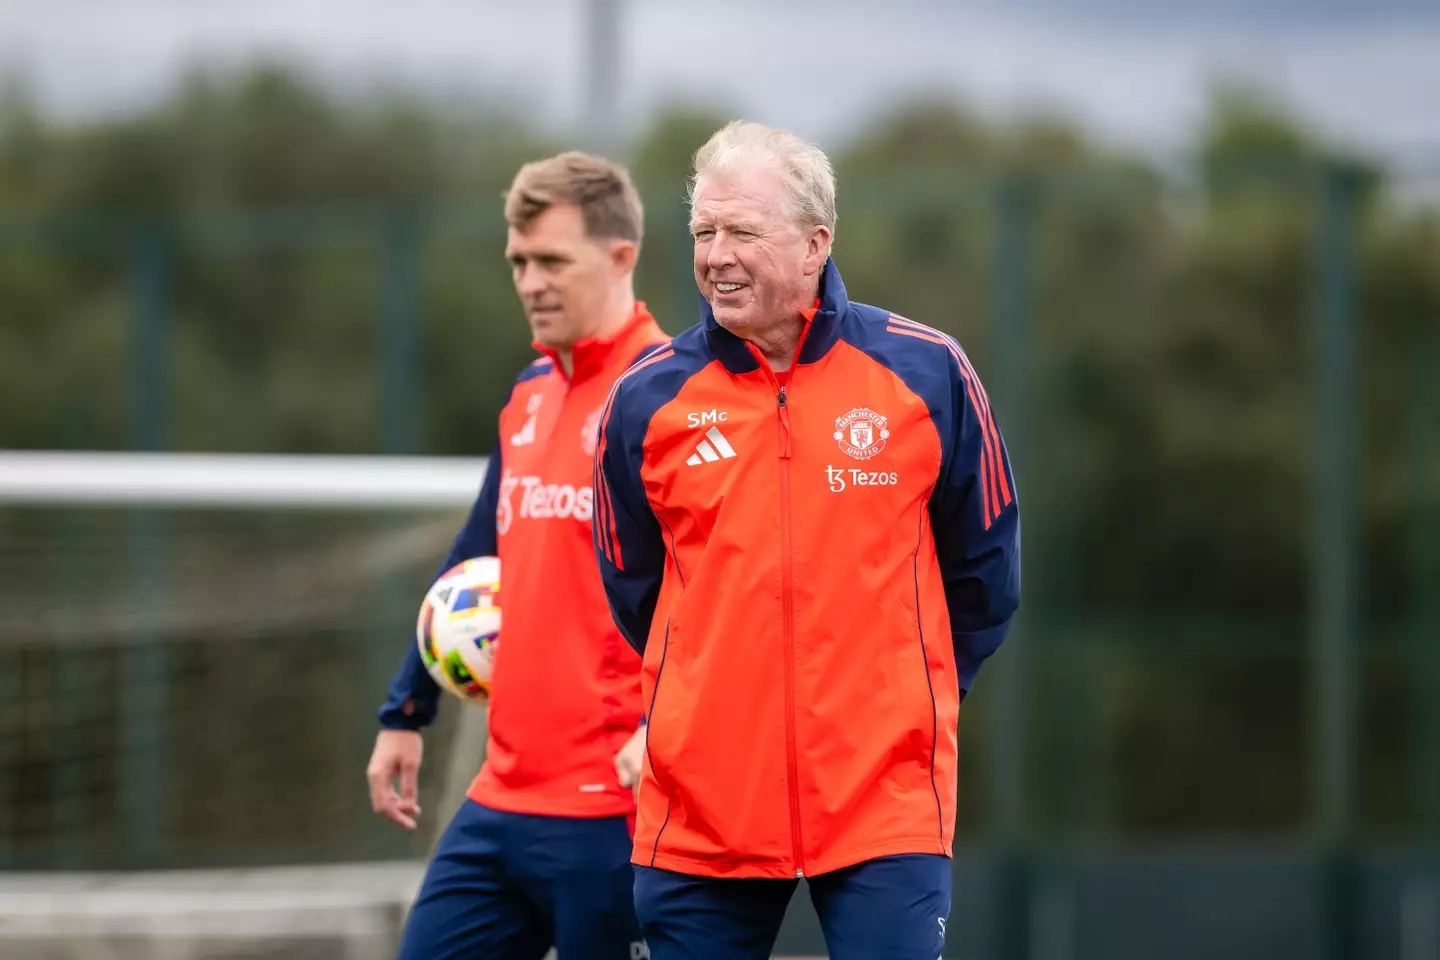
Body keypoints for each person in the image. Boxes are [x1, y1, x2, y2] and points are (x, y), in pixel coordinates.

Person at [591, 121, 1021, 959]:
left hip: (883, 801)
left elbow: (987, 572)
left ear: (816, 243)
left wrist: (909, 699)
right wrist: (706, 699)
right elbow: (633, 586)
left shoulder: (927, 373)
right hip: (700, 810)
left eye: (742, 232)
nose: (716, 254)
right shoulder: (647, 401)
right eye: (703, 232)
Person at [368, 151, 668, 960]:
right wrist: (405, 709)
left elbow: (729, 591)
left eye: (552, 261)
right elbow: (477, 550)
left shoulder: (671, 399)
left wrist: (669, 726)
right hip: (501, 796)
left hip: (614, 809)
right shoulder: (530, 392)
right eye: (519, 262)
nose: (531, 281)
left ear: (621, 256)